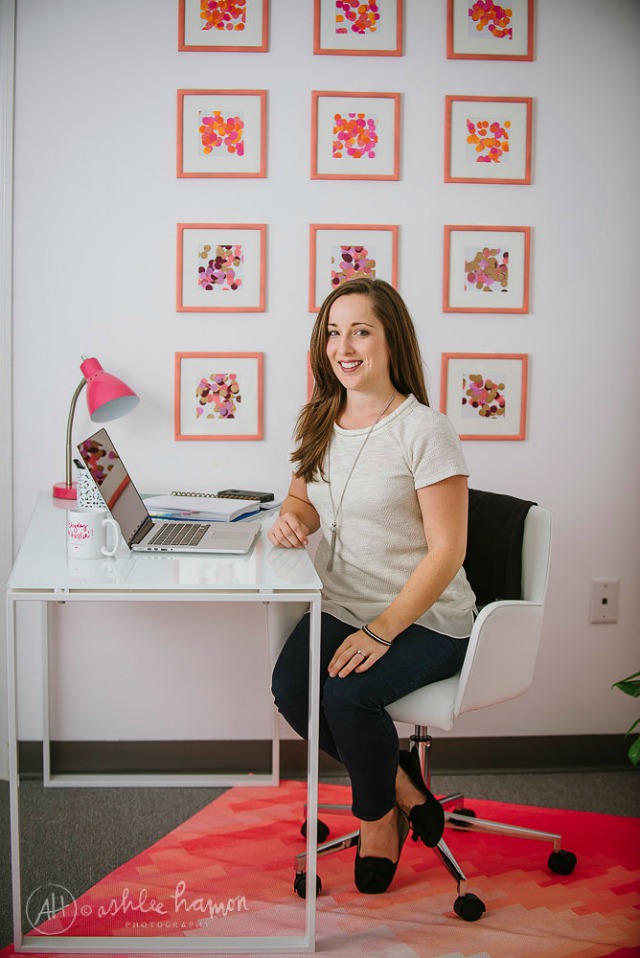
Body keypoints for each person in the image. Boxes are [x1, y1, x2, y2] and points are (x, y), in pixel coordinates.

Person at [269, 278, 476, 894]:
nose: (344, 346)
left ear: (391, 341)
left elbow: (448, 551)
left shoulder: (425, 430)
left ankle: (378, 817)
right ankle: (403, 783)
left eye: (361, 330)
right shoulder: (319, 418)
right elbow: (303, 501)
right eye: (334, 332)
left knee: (347, 696)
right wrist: (291, 521)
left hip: (427, 616)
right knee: (291, 689)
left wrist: (382, 631)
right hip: (343, 600)